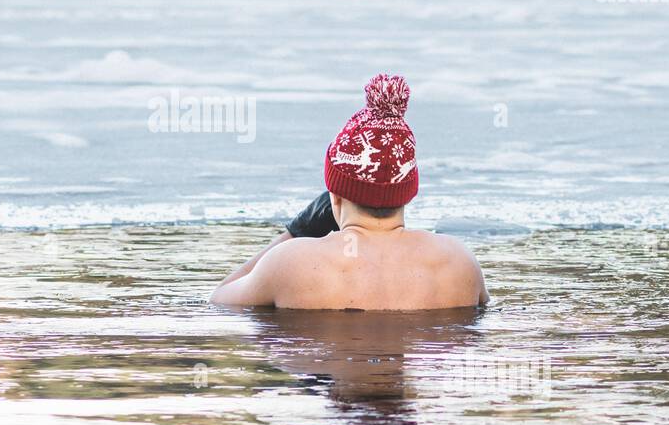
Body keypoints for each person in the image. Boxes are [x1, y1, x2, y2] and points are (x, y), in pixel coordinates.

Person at [210, 74, 489, 310]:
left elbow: (219, 300)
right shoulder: (459, 262)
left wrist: (295, 231)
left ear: (335, 195)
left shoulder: (290, 264)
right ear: (408, 192)